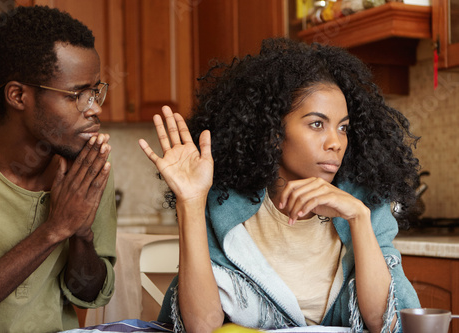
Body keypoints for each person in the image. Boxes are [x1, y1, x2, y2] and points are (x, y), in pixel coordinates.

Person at [139, 38, 421, 333]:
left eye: (343, 127)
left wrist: (359, 218)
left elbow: (388, 323)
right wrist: (191, 202)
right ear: (273, 132)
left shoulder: (366, 201)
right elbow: (201, 326)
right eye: (316, 124)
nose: (336, 143)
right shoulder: (224, 204)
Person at [0, 6, 117, 332]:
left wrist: (81, 235)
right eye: (77, 94)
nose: (96, 108)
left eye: (96, 91)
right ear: (18, 95)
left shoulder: (87, 168)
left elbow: (86, 293)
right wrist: (54, 229)